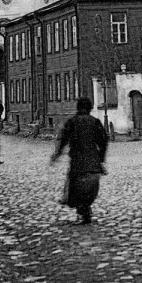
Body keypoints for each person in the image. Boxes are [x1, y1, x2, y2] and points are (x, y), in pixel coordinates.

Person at [50, 96, 108, 224]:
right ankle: (85, 210)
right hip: (93, 164)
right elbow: (103, 141)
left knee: (76, 188)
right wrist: (101, 158)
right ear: (90, 108)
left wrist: (57, 155)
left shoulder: (72, 122)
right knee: (90, 190)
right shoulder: (95, 122)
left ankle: (83, 210)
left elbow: (63, 140)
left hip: (77, 163)